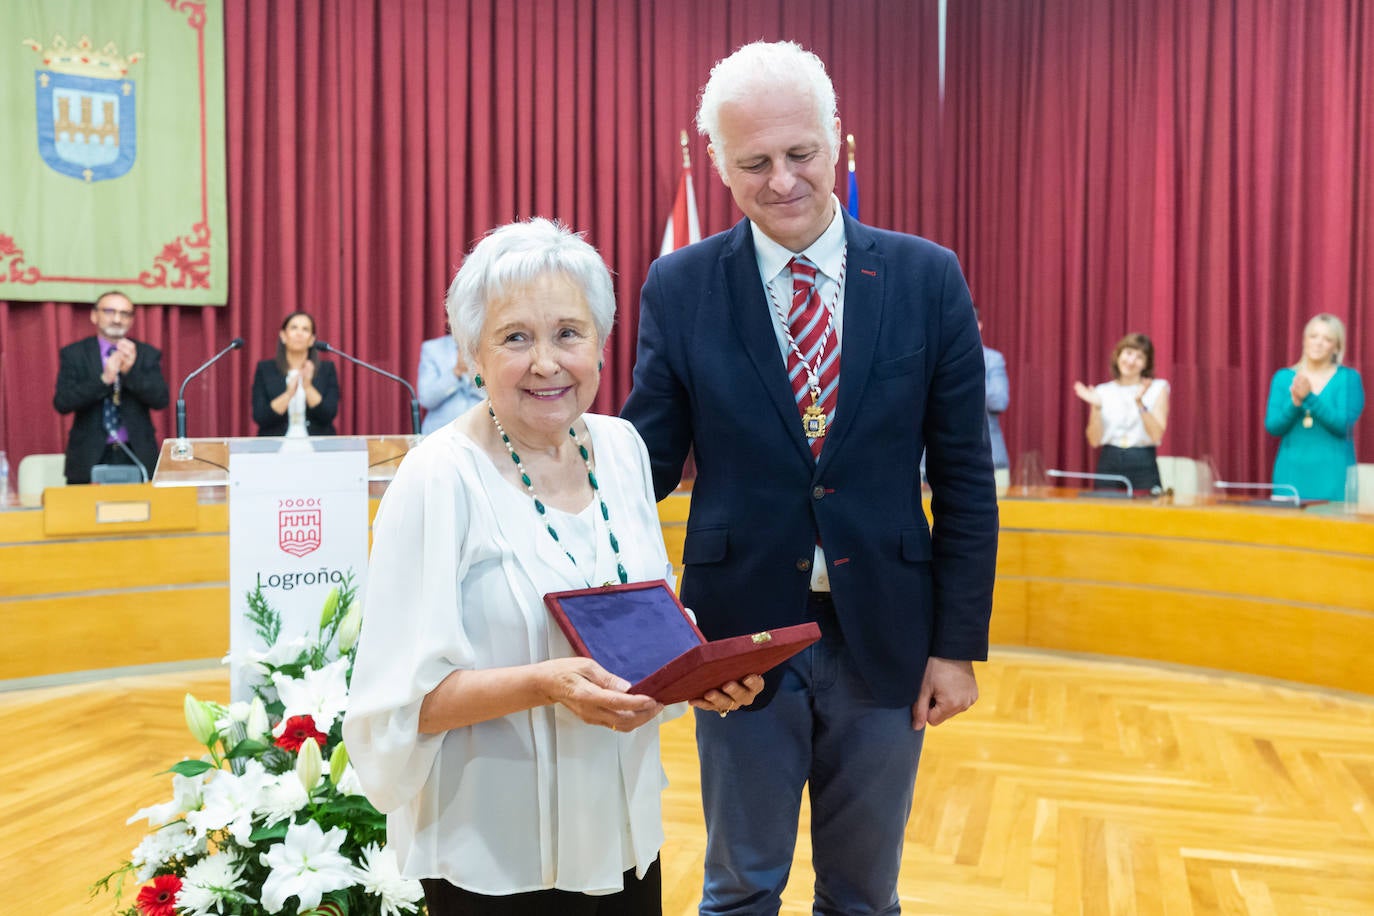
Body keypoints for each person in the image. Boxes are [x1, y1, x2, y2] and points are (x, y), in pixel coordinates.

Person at [621, 41, 999, 916]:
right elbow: (643, 468)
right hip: (735, 643)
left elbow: (965, 481)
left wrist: (956, 645)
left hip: (889, 640)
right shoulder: (679, 287)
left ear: (843, 146)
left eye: (801, 154)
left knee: (865, 896)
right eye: (753, 162)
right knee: (741, 886)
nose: (782, 180)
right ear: (717, 164)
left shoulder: (926, 278)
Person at [342, 218, 762, 915]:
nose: (546, 363)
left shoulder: (624, 449)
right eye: (515, 338)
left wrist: (697, 672)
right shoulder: (437, 478)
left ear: (600, 344)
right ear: (472, 356)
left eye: (569, 332)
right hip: (496, 857)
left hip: (625, 836)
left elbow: (640, 610)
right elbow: (397, 706)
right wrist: (544, 684)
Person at [52, 290, 169, 484]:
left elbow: (160, 399)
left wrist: (130, 373)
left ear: (132, 320)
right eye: (109, 311)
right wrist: (104, 379)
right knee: (84, 513)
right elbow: (62, 402)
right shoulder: (75, 353)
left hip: (136, 453)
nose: (117, 319)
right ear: (94, 315)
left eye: (124, 314)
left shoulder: (146, 354)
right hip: (88, 455)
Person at [1264, 313, 1364, 501]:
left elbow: (1343, 427)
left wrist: (1309, 397)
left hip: (1334, 480)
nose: (1318, 343)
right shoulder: (1283, 377)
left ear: (1337, 347)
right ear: (1304, 340)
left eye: (1327, 339)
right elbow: (1273, 427)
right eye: (1313, 336)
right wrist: (1295, 403)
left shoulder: (1349, 379)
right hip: (1290, 477)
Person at [1072, 332, 1170, 492]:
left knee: (1146, 513)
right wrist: (1096, 407)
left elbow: (1156, 435)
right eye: (1128, 353)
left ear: (1146, 363)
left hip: (1143, 460)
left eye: (1139, 357)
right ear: (1118, 355)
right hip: (1109, 459)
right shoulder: (1102, 391)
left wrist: (1140, 403)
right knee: (1105, 513)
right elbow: (1094, 441)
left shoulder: (1158, 388)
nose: (1131, 361)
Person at [251, 311, 339, 437]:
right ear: (283, 335)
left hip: (318, 446)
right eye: (294, 328)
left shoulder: (326, 369)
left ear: (312, 339)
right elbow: (261, 417)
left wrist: (307, 387)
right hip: (274, 447)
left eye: (305, 329)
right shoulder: (265, 369)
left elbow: (328, 415)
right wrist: (288, 394)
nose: (299, 333)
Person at [417, 332, 484, 433]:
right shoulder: (432, 348)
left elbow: (499, 396)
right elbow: (426, 399)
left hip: (481, 432)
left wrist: (476, 375)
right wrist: (456, 372)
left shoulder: (489, 347)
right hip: (439, 434)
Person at [976, 305, 1011, 482]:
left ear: (979, 325)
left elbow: (998, 401)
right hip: (931, 463)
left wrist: (968, 374)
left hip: (990, 459)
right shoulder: (934, 359)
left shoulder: (992, 359)